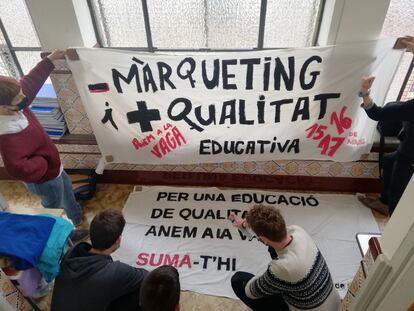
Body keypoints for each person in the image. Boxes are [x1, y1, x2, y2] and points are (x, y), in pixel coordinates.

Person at [0, 51, 87, 238]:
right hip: (43, 178)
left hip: (53, 167)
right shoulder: (7, 133)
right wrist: (44, 164)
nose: (25, 97)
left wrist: (49, 60)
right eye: (19, 98)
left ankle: (76, 216)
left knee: (66, 189)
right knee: (54, 206)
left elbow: (30, 84)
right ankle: (66, 234)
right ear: (3, 107)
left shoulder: (15, 103)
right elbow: (17, 168)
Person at [230, 205, 340, 311]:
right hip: (331, 302)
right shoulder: (298, 231)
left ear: (263, 238)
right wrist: (245, 225)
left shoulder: (281, 268)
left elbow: (251, 292)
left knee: (238, 280)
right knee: (273, 248)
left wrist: (269, 278)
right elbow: (270, 233)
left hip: (309, 308)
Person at [358, 35, 414, 216]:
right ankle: (384, 201)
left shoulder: (411, 107)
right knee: (389, 162)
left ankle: (392, 219)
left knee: (399, 193)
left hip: (410, 157)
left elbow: (377, 113)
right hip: (407, 149)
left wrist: (364, 91)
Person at [51, 208, 148, 311]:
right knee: (139, 292)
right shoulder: (115, 272)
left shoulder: (71, 254)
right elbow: (147, 277)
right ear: (118, 240)